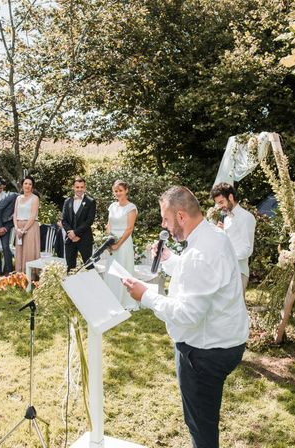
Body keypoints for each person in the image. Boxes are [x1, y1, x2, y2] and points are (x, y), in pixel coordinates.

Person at [122, 186, 249, 448]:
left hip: (205, 352)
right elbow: (198, 275)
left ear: (181, 216)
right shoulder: (213, 236)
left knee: (200, 427)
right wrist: (169, 259)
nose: (163, 225)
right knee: (203, 421)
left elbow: (187, 314)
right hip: (226, 341)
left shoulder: (200, 253)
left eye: (165, 219)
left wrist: (144, 295)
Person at [210, 182, 256, 294]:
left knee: (236, 310)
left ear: (230, 197)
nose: (220, 206)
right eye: (218, 203)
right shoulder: (226, 219)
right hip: (225, 270)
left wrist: (227, 258)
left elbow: (247, 249)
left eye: (221, 202)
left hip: (238, 271)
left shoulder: (246, 217)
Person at [103, 180, 139, 310]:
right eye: (116, 191)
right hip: (112, 241)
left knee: (123, 270)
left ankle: (125, 301)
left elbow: (129, 228)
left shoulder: (131, 208)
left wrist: (118, 244)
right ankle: (111, 298)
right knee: (111, 270)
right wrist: (108, 239)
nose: (118, 193)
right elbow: (109, 224)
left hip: (124, 243)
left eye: (120, 190)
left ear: (126, 190)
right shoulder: (112, 206)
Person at [62, 176, 96, 270]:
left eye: (81, 187)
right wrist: (70, 233)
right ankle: (72, 285)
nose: (79, 189)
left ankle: (90, 285)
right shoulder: (67, 201)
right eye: (77, 187)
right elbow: (64, 220)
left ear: (85, 187)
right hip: (70, 239)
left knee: (88, 266)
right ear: (73, 187)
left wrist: (76, 233)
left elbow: (89, 221)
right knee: (70, 267)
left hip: (85, 239)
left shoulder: (90, 202)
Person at [14, 176, 40, 273]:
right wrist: (17, 228)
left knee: (29, 251)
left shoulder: (35, 198)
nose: (27, 186)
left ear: (32, 186)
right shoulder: (18, 198)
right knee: (19, 250)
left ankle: (30, 275)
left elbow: (33, 216)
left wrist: (24, 230)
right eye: (25, 183)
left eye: (30, 184)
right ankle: (19, 274)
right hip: (19, 226)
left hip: (30, 226)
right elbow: (15, 214)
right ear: (22, 185)